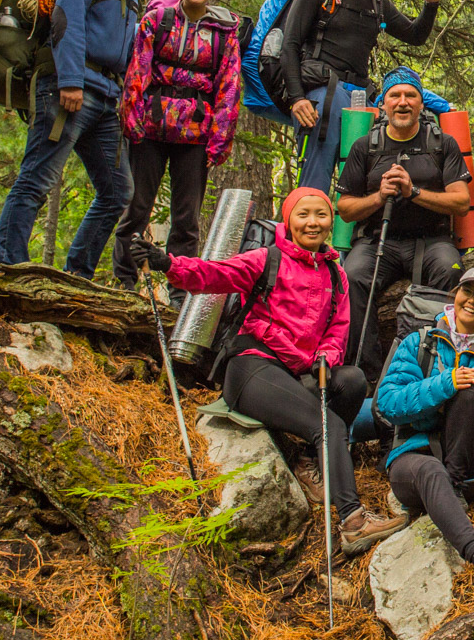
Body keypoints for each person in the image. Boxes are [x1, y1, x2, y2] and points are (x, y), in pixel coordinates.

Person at [133, 188, 405, 551]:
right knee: (332, 425)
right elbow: (212, 276)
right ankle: (353, 521)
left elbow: (337, 330)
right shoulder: (267, 258)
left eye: (321, 215)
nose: (313, 222)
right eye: (303, 214)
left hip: (298, 374)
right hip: (252, 368)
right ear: (289, 220)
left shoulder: (336, 274)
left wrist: (326, 355)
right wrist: (167, 264)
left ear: (331, 221)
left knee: (352, 381)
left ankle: (310, 465)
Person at [0, 0, 152, 277]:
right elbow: (66, 19)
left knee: (117, 192)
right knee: (37, 178)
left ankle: (78, 274)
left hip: (107, 97)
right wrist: (69, 81)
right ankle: (11, 266)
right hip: (70, 88)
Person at [375, 264, 474, 589]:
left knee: (472, 395)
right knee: (431, 471)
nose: (472, 301)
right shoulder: (419, 342)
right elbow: (387, 403)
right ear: (456, 294)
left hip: (468, 470)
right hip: (411, 461)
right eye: (467, 291)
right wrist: (446, 383)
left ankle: (453, 487)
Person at [280, 0, 445, 193]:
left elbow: (414, 36)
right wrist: (297, 98)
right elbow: (289, 45)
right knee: (315, 179)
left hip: (360, 98)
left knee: (360, 181)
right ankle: (303, 235)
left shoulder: (377, 2)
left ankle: (354, 237)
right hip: (322, 97)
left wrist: (431, 4)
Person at [112, 0, 243, 290]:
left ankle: (179, 288)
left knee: (186, 218)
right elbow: (137, 70)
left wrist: (220, 139)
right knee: (137, 207)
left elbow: (229, 85)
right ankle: (125, 281)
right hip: (151, 128)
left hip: (196, 134)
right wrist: (132, 121)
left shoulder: (224, 31)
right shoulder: (157, 20)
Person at [335, 68, 474, 375]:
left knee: (451, 272)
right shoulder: (365, 146)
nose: (402, 102)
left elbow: (461, 202)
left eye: (410, 95)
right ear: (383, 104)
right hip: (376, 240)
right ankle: (366, 372)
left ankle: (436, 366)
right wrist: (378, 197)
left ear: (421, 103)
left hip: (432, 240)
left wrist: (414, 192)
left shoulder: (442, 143)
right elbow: (344, 208)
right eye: (394, 95)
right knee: (352, 275)